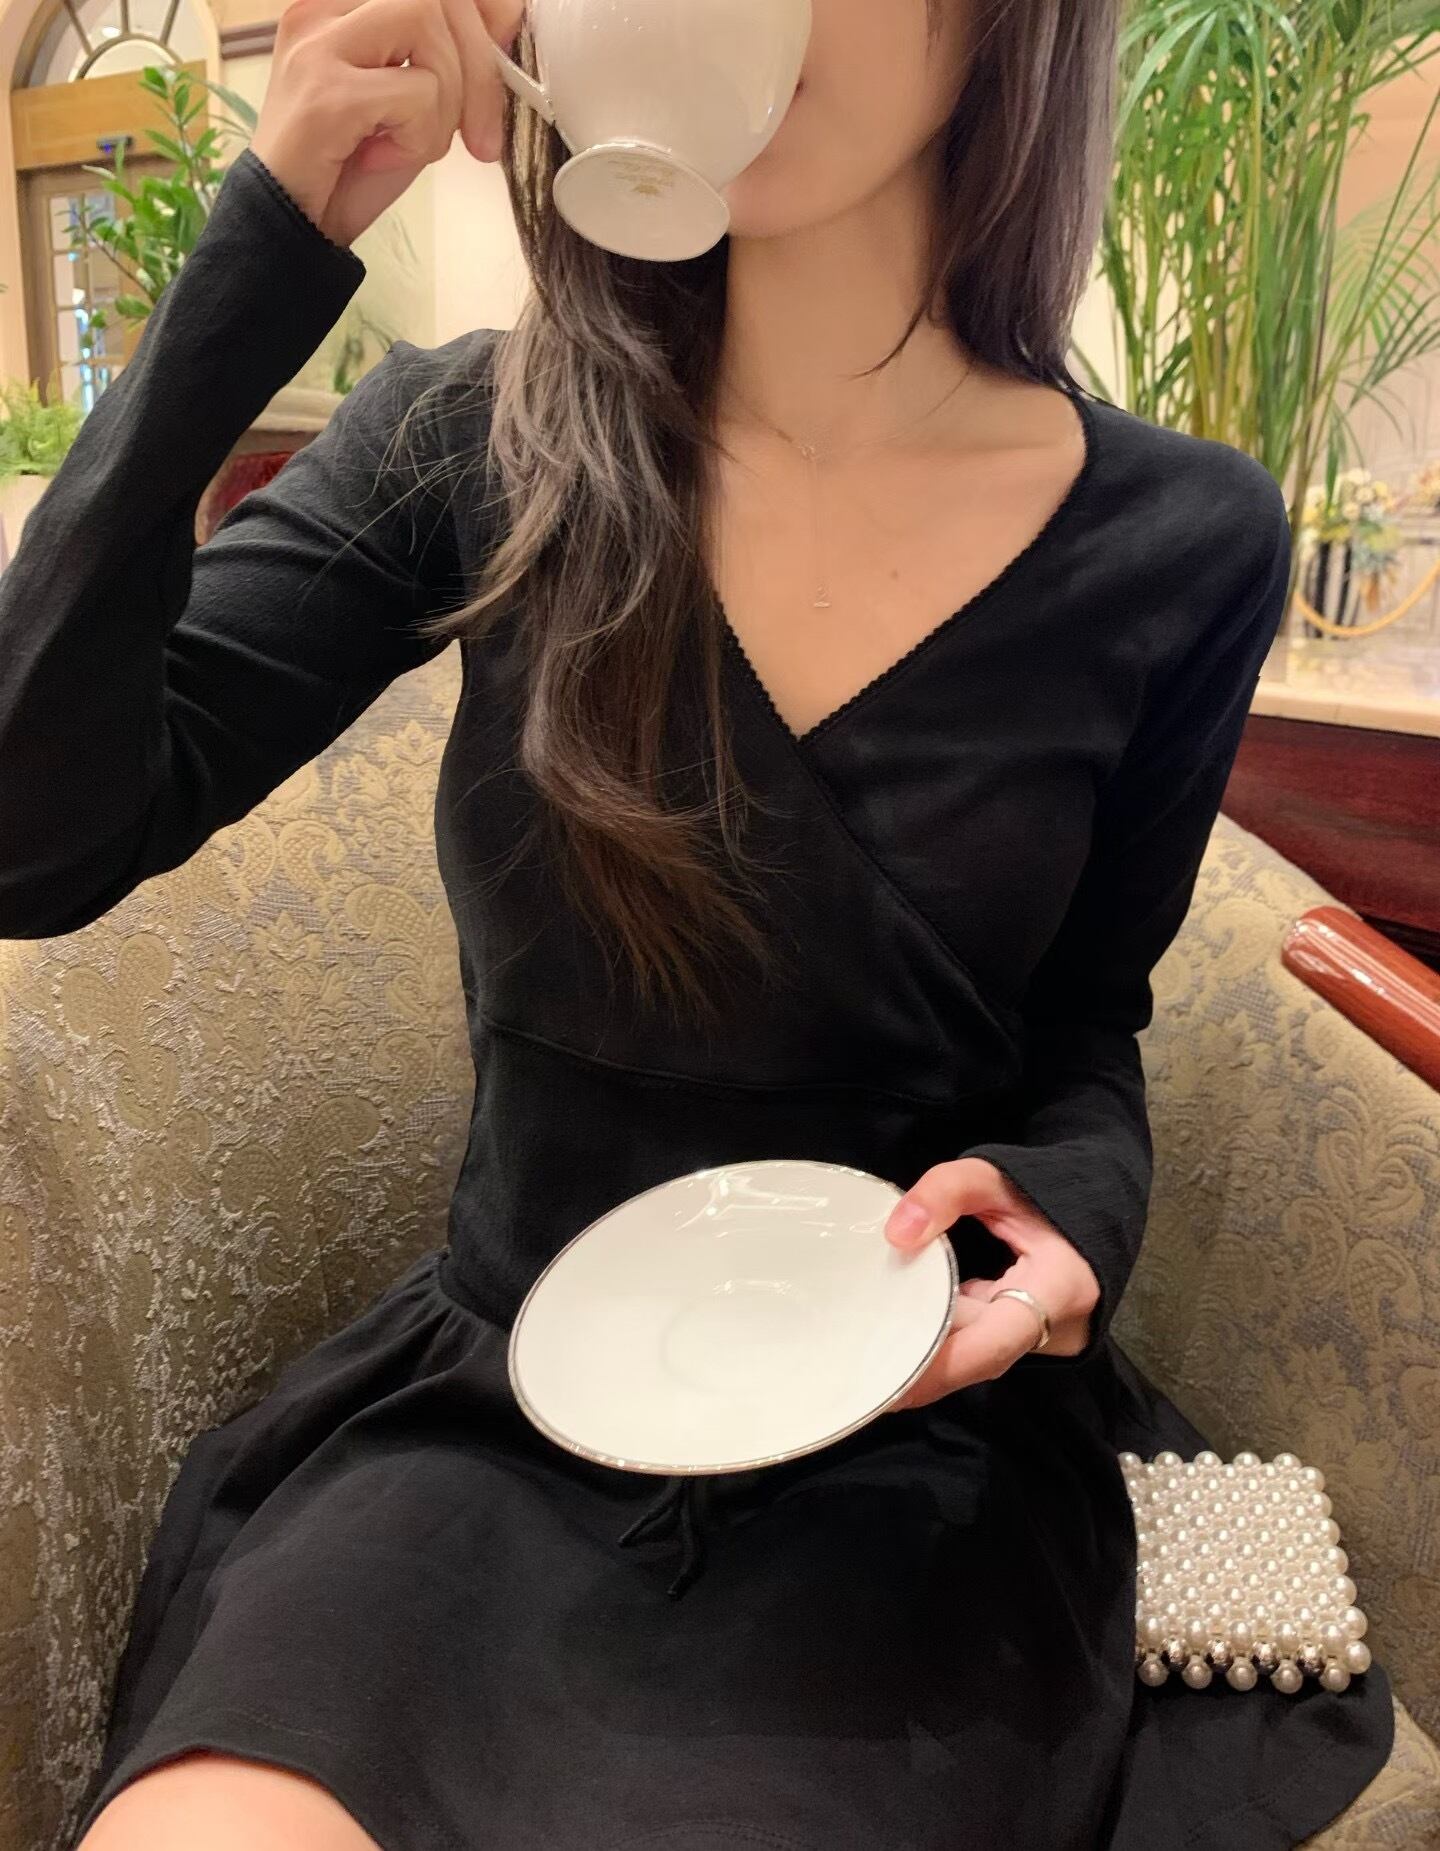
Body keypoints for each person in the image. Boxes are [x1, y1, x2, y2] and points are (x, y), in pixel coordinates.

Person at [0, 0, 1395, 1846]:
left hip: (909, 1459)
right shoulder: (468, 441)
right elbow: (33, 841)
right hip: (488, 1426)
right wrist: (276, 233)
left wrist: (1073, 1217)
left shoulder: (1183, 540)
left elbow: (1084, 1030)